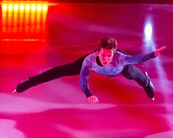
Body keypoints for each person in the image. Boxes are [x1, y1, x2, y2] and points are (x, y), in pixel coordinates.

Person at [14, 37, 166, 103]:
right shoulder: (89, 60)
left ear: (114, 53)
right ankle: (29, 82)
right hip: (94, 63)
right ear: (97, 52)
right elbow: (83, 80)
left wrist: (153, 54)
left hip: (120, 68)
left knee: (132, 74)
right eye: (104, 55)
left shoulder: (120, 59)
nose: (107, 59)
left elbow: (138, 59)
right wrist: (89, 94)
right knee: (66, 69)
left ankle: (148, 84)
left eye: (109, 55)